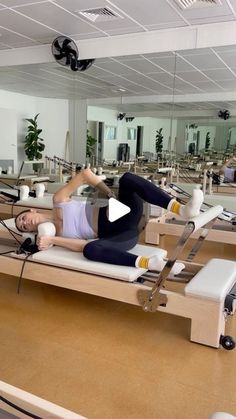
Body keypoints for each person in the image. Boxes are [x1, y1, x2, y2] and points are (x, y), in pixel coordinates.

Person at [15, 169, 204, 275]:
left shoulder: (59, 200)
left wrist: (109, 193)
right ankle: (150, 263)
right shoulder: (53, 237)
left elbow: (85, 175)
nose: (25, 223)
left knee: (127, 179)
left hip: (121, 214)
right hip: (121, 235)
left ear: (33, 210)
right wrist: (52, 241)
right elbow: (83, 246)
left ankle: (182, 209)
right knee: (91, 250)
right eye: (23, 227)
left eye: (23, 218)